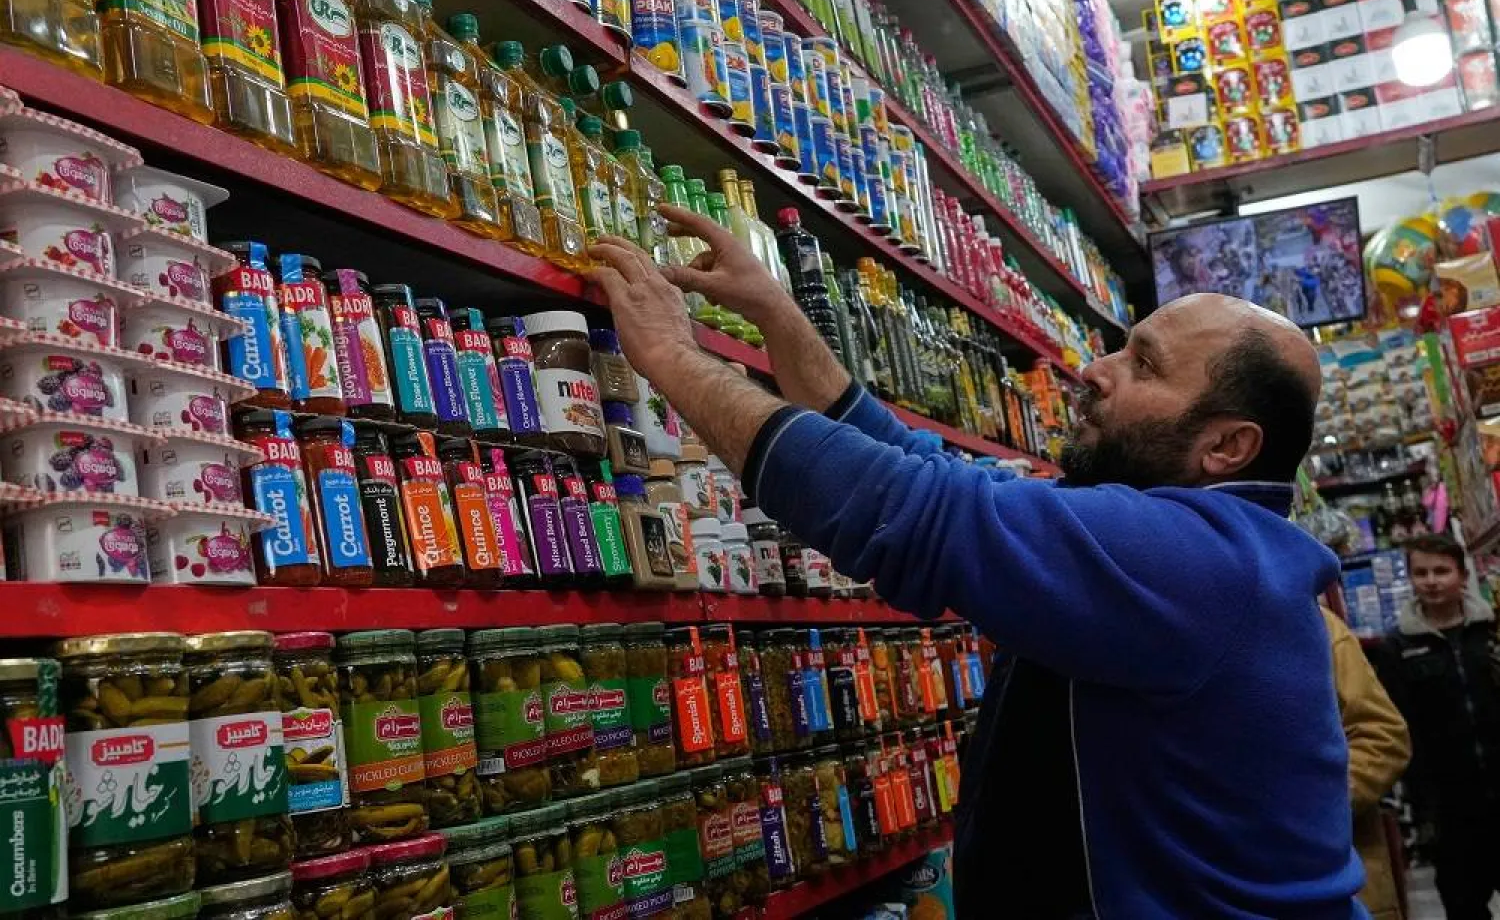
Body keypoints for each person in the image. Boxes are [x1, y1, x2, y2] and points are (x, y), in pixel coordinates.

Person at [587, 207, 1367, 917]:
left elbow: (910, 509)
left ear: (1225, 446)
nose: (1096, 369)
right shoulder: (1200, 540)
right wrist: (776, 313)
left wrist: (671, 357)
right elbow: (920, 467)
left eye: (1144, 365)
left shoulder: (1194, 562)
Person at [1374, 534, 1500, 919]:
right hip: (1449, 805)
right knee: (1464, 903)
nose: (1431, 580)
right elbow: (1400, 727)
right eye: (1421, 572)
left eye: (1441, 571)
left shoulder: (1491, 633)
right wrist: (1422, 803)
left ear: (1462, 576)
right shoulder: (1396, 648)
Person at [1322, 606, 1411, 920]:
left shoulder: (1318, 627)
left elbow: (1382, 736)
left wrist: (1317, 805)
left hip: (1339, 873)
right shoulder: (1172, 639)